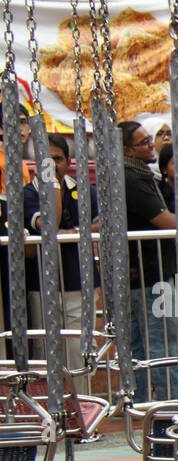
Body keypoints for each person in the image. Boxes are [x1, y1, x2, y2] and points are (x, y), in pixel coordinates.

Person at [22, 132, 98, 374]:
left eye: (58, 159)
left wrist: (74, 231)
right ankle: (53, 408)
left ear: (68, 161)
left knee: (80, 349)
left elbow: (104, 224)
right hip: (42, 285)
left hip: (79, 280)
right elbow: (49, 224)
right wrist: (52, 185)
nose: (53, 164)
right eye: (47, 159)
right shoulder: (27, 194)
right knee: (48, 351)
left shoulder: (85, 190)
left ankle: (83, 405)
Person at [120, 119, 178, 401]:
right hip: (148, 274)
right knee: (161, 345)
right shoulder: (131, 178)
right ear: (127, 150)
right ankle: (170, 404)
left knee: (140, 346)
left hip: (139, 273)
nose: (151, 145)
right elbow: (165, 221)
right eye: (144, 142)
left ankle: (141, 403)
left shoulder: (136, 174)